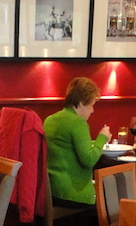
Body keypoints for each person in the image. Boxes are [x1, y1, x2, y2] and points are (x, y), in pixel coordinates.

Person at [43, 76, 113, 208]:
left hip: (52, 191)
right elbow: (89, 159)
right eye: (91, 105)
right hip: (73, 195)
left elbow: (70, 146)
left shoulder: (50, 119)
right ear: (81, 103)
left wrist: (94, 142)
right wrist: (102, 138)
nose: (92, 110)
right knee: (110, 201)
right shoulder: (78, 123)